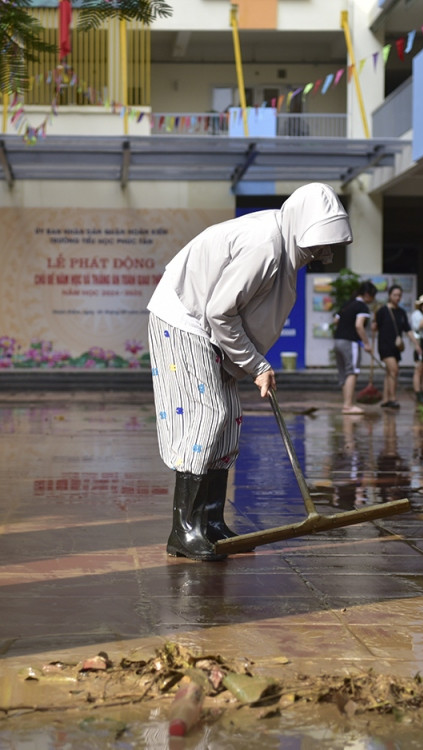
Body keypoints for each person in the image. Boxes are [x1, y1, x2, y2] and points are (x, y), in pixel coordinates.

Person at [148, 182, 352, 561]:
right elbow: (218, 312)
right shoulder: (265, 246)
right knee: (207, 415)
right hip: (183, 317)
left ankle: (211, 521)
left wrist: (249, 363)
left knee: (228, 422)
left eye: (328, 245)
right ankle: (184, 530)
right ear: (302, 227)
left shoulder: (283, 244)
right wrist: (257, 365)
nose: (323, 254)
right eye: (319, 243)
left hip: (209, 326)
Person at [332, 279, 376, 414]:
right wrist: (367, 344)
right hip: (350, 342)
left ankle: (347, 404)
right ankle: (348, 405)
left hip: (338, 341)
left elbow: (335, 321)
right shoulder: (362, 306)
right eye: (373, 296)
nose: (372, 300)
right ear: (367, 294)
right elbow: (359, 325)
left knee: (344, 372)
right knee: (352, 371)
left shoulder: (347, 303)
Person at [373, 284, 419, 409]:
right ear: (389, 295)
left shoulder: (402, 312)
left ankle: (385, 399)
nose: (397, 298)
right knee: (394, 370)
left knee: (389, 373)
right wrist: (374, 325)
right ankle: (392, 399)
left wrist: (416, 344)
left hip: (396, 347)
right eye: (395, 295)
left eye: (399, 295)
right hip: (385, 346)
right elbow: (375, 326)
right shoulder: (382, 311)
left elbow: (408, 330)